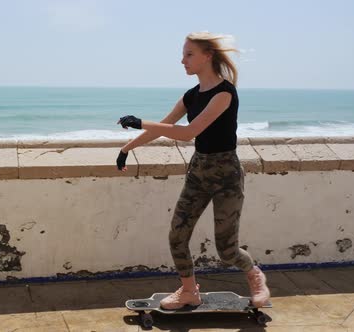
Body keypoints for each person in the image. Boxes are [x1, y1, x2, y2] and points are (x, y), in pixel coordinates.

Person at [115, 32, 270, 309]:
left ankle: (256, 277)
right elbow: (165, 126)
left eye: (189, 54)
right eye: (183, 54)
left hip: (226, 176)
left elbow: (188, 132)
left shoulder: (224, 93)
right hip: (199, 171)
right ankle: (189, 291)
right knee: (178, 235)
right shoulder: (191, 96)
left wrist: (139, 122)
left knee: (227, 249)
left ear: (207, 56)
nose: (182, 60)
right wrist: (127, 148)